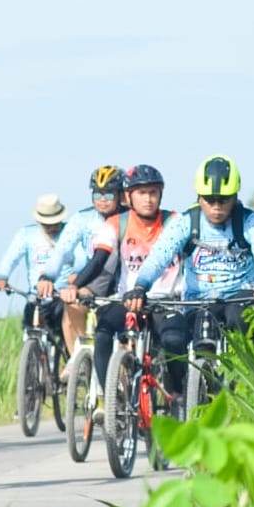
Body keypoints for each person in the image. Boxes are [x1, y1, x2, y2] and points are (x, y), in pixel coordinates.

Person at [126, 155, 254, 396]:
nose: (216, 207)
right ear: (199, 197)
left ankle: (249, 387)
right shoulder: (187, 222)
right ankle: (186, 397)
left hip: (239, 295)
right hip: (199, 299)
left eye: (224, 200)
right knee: (180, 344)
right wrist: (141, 286)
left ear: (235, 197)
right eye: (209, 200)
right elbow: (160, 255)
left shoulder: (251, 221)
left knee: (239, 320)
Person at [60, 165, 179, 394]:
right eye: (141, 193)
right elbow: (98, 261)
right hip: (128, 300)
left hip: (166, 300)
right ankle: (110, 397)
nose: (148, 200)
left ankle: (178, 395)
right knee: (103, 333)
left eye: (153, 193)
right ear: (128, 196)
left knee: (174, 341)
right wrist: (75, 286)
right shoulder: (117, 224)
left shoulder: (174, 221)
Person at [36, 166, 125, 354]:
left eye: (109, 195)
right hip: (95, 279)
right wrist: (47, 277)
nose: (102, 200)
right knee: (73, 303)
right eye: (97, 194)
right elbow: (61, 251)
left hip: (125, 282)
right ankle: (78, 360)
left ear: (120, 195)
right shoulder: (82, 219)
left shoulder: (131, 217)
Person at [0, 193, 69, 340]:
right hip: (36, 295)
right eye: (47, 224)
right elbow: (11, 257)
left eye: (55, 223)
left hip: (62, 297)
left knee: (65, 335)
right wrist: (2, 277)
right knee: (30, 332)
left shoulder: (69, 233)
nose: (52, 228)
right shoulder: (27, 234)